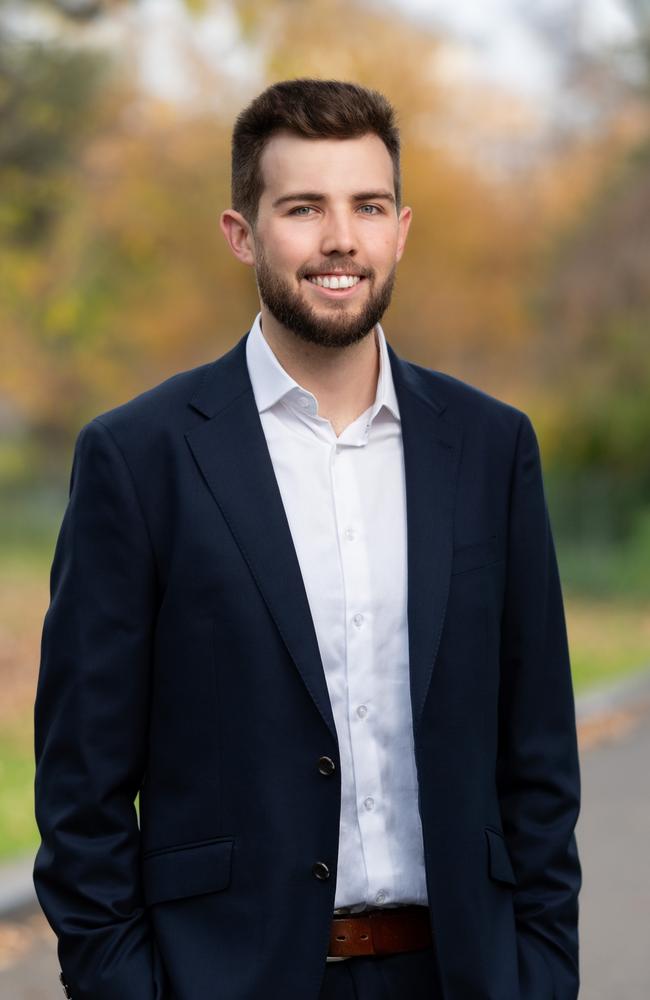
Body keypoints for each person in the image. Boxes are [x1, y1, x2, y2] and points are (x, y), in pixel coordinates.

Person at [33, 78, 581, 1000]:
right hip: (226, 977)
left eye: (367, 206)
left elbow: (540, 765)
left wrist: (540, 973)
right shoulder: (140, 459)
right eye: (303, 207)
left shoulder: (491, 449)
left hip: (460, 975)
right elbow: (80, 793)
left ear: (400, 229)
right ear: (241, 232)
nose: (341, 239)